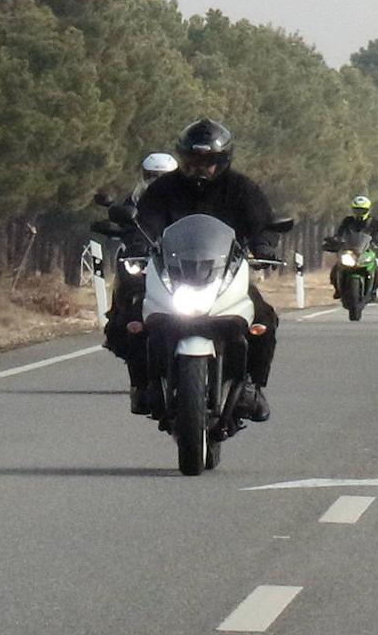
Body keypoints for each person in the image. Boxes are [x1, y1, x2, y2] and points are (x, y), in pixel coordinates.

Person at [132, 118, 280, 427]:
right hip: (174, 273)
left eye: (208, 162)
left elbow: (261, 222)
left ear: (222, 160)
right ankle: (143, 384)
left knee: (264, 319)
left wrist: (264, 246)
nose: (200, 168)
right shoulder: (164, 189)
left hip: (225, 273)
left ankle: (253, 386)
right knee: (131, 318)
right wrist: (137, 241)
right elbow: (147, 219)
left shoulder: (240, 188)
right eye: (192, 161)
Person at [103, 152, 179, 413]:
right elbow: (123, 219)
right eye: (153, 175)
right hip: (145, 257)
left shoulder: (189, 197)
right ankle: (119, 327)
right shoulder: (135, 197)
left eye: (164, 176)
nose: (157, 181)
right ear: (145, 174)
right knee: (132, 306)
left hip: (181, 262)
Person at [328, 195, 378, 299]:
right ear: (353, 210)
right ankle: (337, 289)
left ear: (368, 210)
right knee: (336, 267)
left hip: (366, 250)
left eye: (362, 210)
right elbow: (340, 232)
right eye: (357, 210)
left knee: (376, 269)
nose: (359, 213)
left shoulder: (374, 222)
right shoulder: (348, 221)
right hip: (350, 249)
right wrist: (336, 240)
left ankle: (373, 290)